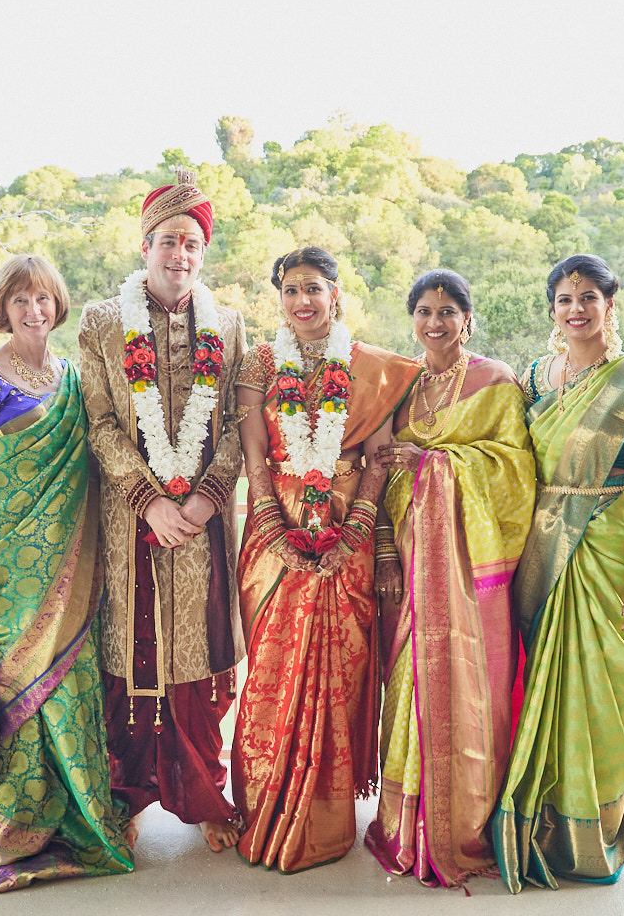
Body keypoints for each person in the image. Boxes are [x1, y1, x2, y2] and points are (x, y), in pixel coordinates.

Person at [0, 254, 134, 892]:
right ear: (3, 307)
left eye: (44, 299)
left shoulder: (75, 376)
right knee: (15, 688)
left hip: (73, 561)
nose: (34, 311)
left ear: (58, 305)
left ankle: (80, 815)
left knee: (71, 685)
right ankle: (13, 826)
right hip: (6, 563)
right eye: (20, 300)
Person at [490, 253, 624, 893]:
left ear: (609, 305)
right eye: (565, 299)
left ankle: (593, 837)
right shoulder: (535, 378)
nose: (576, 310)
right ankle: (537, 827)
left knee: (601, 697)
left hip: (607, 550)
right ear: (552, 309)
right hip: (539, 550)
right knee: (537, 691)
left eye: (588, 298)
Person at [76, 169, 248, 852]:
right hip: (129, 522)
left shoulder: (229, 326)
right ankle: (128, 794)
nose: (181, 255)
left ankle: (205, 796)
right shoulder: (101, 322)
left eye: (194, 245)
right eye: (169, 241)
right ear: (145, 245)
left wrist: (206, 499)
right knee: (128, 659)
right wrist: (149, 503)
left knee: (202, 657)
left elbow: (238, 422)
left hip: (204, 526)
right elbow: (99, 421)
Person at [233, 247, 420, 873]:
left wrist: (357, 529)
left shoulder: (374, 369)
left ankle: (326, 821)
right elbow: (254, 456)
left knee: (340, 679)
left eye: (313, 288)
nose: (302, 301)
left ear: (335, 294)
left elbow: (378, 459)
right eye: (290, 290)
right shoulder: (260, 362)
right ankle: (264, 809)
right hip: (273, 534)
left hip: (348, 538)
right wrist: (270, 526)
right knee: (269, 675)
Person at [363, 269, 536, 888]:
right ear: (412, 318)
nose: (434, 323)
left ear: (468, 318)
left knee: (471, 687)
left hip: (470, 572)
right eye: (424, 311)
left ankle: (461, 825)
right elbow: (378, 477)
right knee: (410, 681)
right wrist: (385, 548)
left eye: (447, 311)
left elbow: (517, 470)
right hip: (413, 563)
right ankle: (406, 824)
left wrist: (435, 463)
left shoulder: (495, 381)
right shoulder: (400, 388)